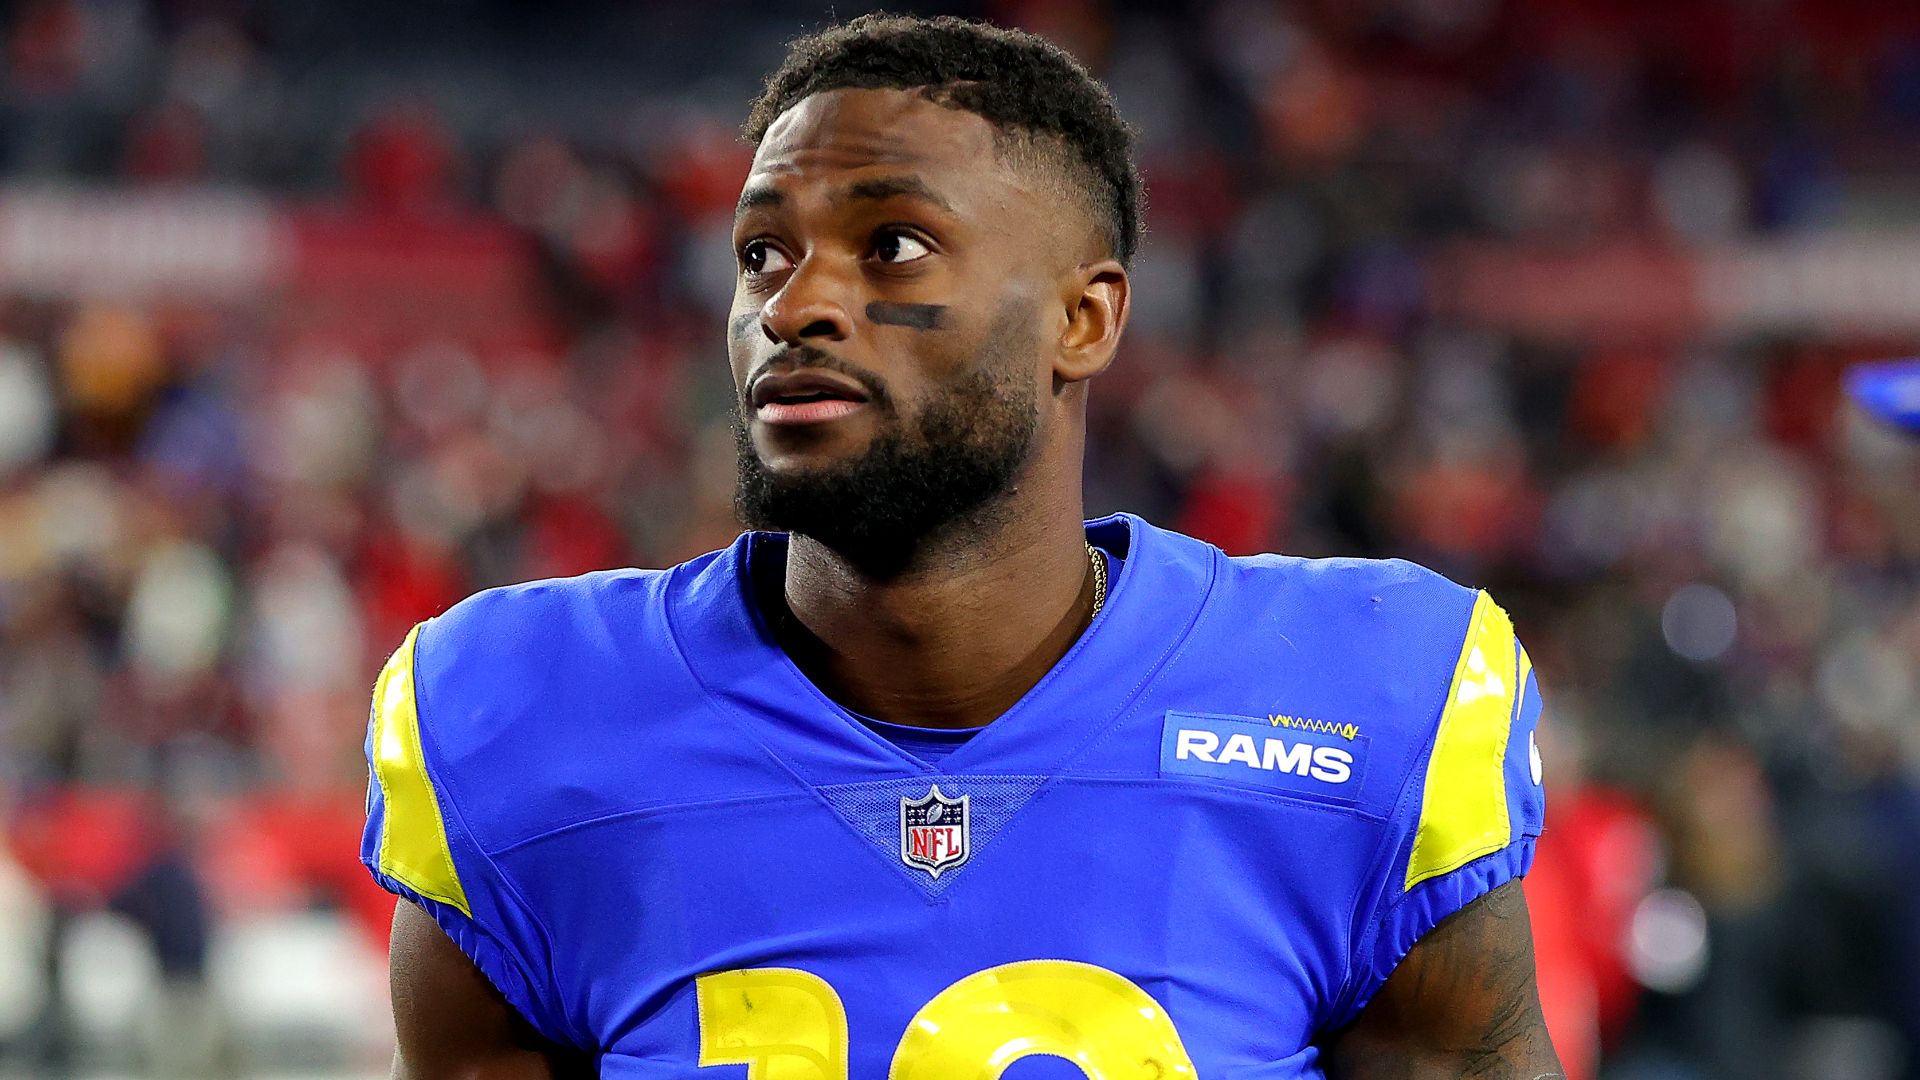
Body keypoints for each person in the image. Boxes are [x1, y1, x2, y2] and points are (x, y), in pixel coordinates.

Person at [362, 14, 1562, 1079]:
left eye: (890, 245)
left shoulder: (1365, 695)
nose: (791, 306)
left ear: (1081, 321)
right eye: (761, 254)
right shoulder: (521, 714)